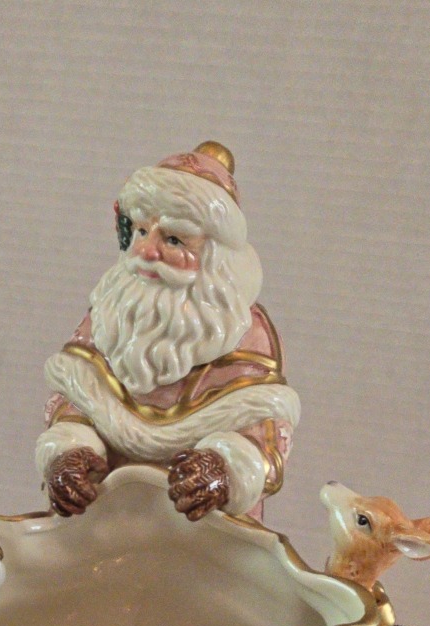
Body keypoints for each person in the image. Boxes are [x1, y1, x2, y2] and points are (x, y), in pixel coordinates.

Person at [36, 141, 300, 522]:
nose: (146, 251)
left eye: (173, 239)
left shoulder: (244, 332)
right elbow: (74, 399)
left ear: (214, 256)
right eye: (142, 231)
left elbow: (264, 436)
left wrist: (223, 469)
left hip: (204, 531)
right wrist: (69, 453)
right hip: (108, 522)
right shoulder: (112, 311)